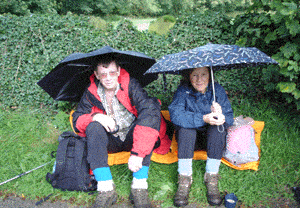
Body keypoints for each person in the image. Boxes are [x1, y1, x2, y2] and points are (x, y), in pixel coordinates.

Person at [72, 58, 171, 208]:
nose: (109, 77)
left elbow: (149, 112)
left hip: (132, 138)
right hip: (110, 139)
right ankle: (106, 189)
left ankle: (139, 187)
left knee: (147, 127)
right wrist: (96, 116)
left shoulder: (131, 85)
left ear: (118, 71)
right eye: (103, 74)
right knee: (93, 126)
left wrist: (138, 154)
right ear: (96, 75)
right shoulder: (90, 92)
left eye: (112, 72)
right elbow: (77, 119)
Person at [168, 67, 234, 207]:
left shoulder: (217, 90)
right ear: (189, 76)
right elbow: (176, 115)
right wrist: (203, 118)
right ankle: (185, 179)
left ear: (209, 76)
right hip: (189, 142)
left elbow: (229, 118)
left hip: (211, 141)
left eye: (203, 75)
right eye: (195, 75)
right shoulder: (183, 91)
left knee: (217, 128)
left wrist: (221, 115)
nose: (199, 80)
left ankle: (211, 177)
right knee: (186, 128)